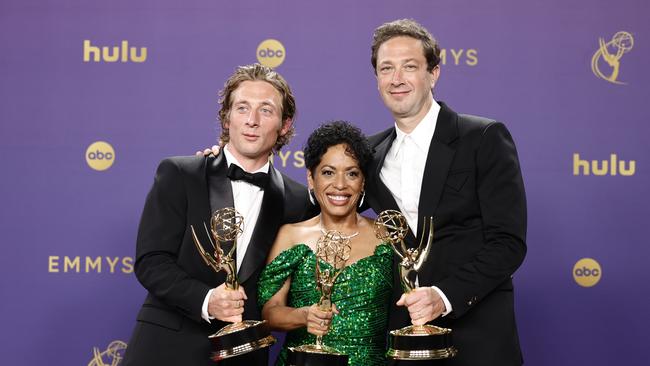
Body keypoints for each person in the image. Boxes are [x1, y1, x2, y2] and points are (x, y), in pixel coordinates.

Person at [123, 64, 315, 366]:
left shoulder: (298, 201)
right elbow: (151, 261)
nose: (252, 121)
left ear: (285, 124)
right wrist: (206, 300)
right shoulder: (181, 174)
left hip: (244, 355)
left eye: (266, 110)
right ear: (226, 118)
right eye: (242, 108)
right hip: (166, 349)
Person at [364, 19, 527, 365]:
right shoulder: (368, 153)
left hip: (477, 336)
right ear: (376, 79)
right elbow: (317, 206)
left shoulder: (483, 138)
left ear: (434, 73)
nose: (397, 79)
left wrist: (443, 296)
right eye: (386, 68)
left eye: (410, 67)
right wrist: (219, 160)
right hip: (402, 341)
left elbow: (508, 243)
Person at [257, 121, 393, 365]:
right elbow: (270, 312)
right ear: (311, 178)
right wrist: (303, 315)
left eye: (352, 173)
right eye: (328, 172)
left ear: (363, 182)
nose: (340, 185)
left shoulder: (387, 235)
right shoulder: (290, 236)